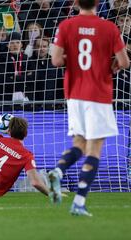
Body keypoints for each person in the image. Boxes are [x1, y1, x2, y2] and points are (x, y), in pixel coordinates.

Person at [48, 0, 130, 216]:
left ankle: (59, 169)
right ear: (97, 3)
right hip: (99, 94)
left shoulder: (66, 25)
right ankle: (79, 201)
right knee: (94, 149)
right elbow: (124, 61)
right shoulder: (109, 27)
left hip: (74, 94)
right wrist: (111, 64)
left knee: (79, 143)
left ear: (76, 3)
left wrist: (72, 58)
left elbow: (55, 60)